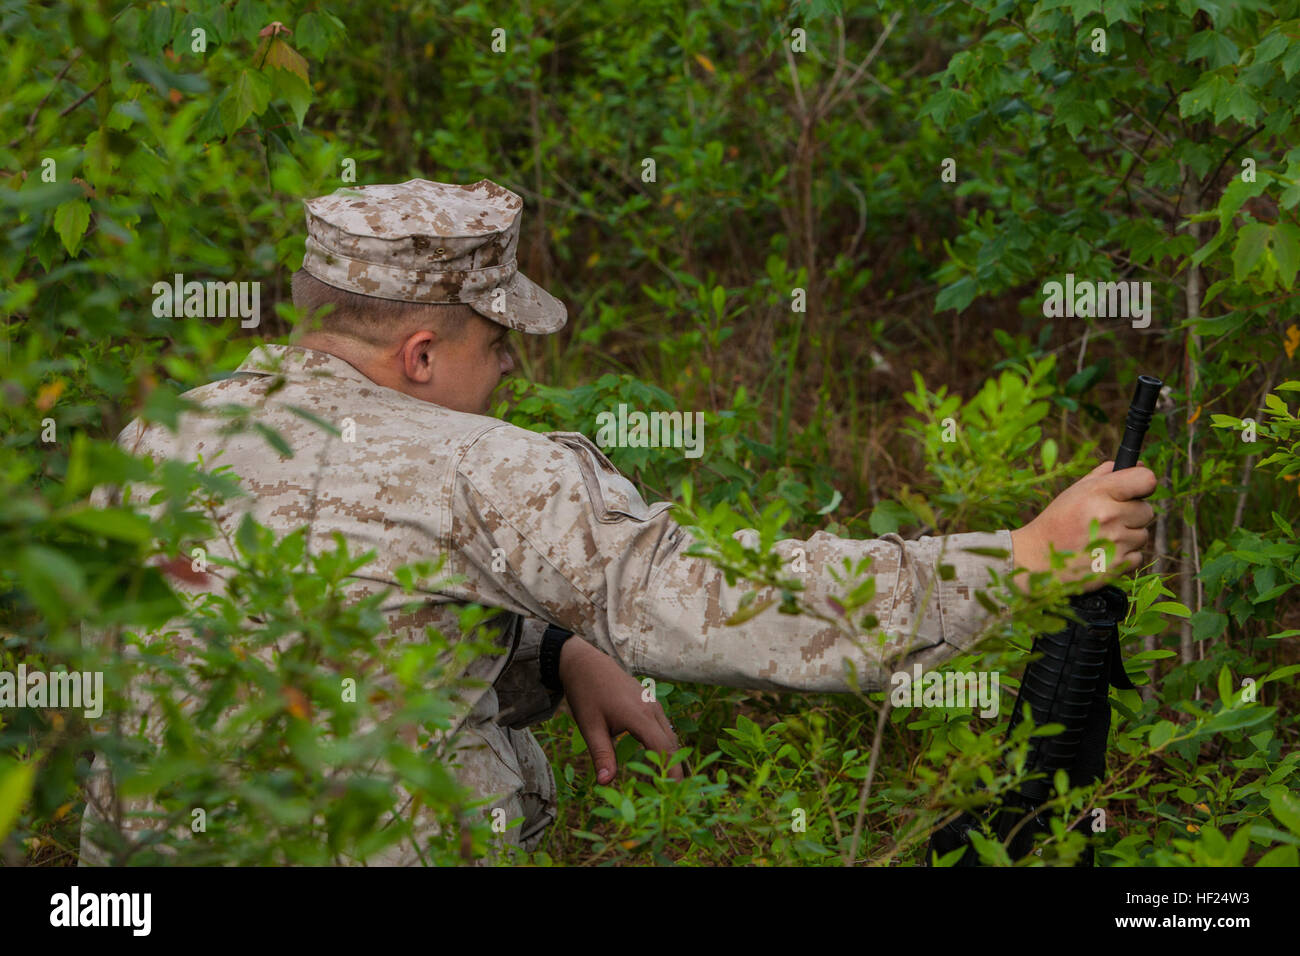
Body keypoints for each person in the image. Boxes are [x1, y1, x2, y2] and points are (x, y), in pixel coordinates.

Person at [79, 178, 1157, 865]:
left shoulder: (161, 437)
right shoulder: (479, 467)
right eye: (498, 347)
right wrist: (1014, 559)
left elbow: (330, 633)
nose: (508, 373)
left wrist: (552, 649)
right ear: (419, 355)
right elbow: (723, 603)